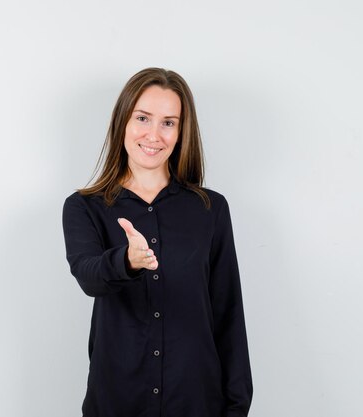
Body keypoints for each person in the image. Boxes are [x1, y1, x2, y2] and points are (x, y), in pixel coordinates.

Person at [61, 67, 253, 417]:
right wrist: (127, 261)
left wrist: (237, 407)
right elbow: (88, 276)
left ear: (181, 132)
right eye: (143, 118)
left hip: (196, 401)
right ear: (122, 122)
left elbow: (228, 313)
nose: (154, 134)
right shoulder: (84, 207)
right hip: (117, 400)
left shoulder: (210, 209)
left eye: (168, 122)